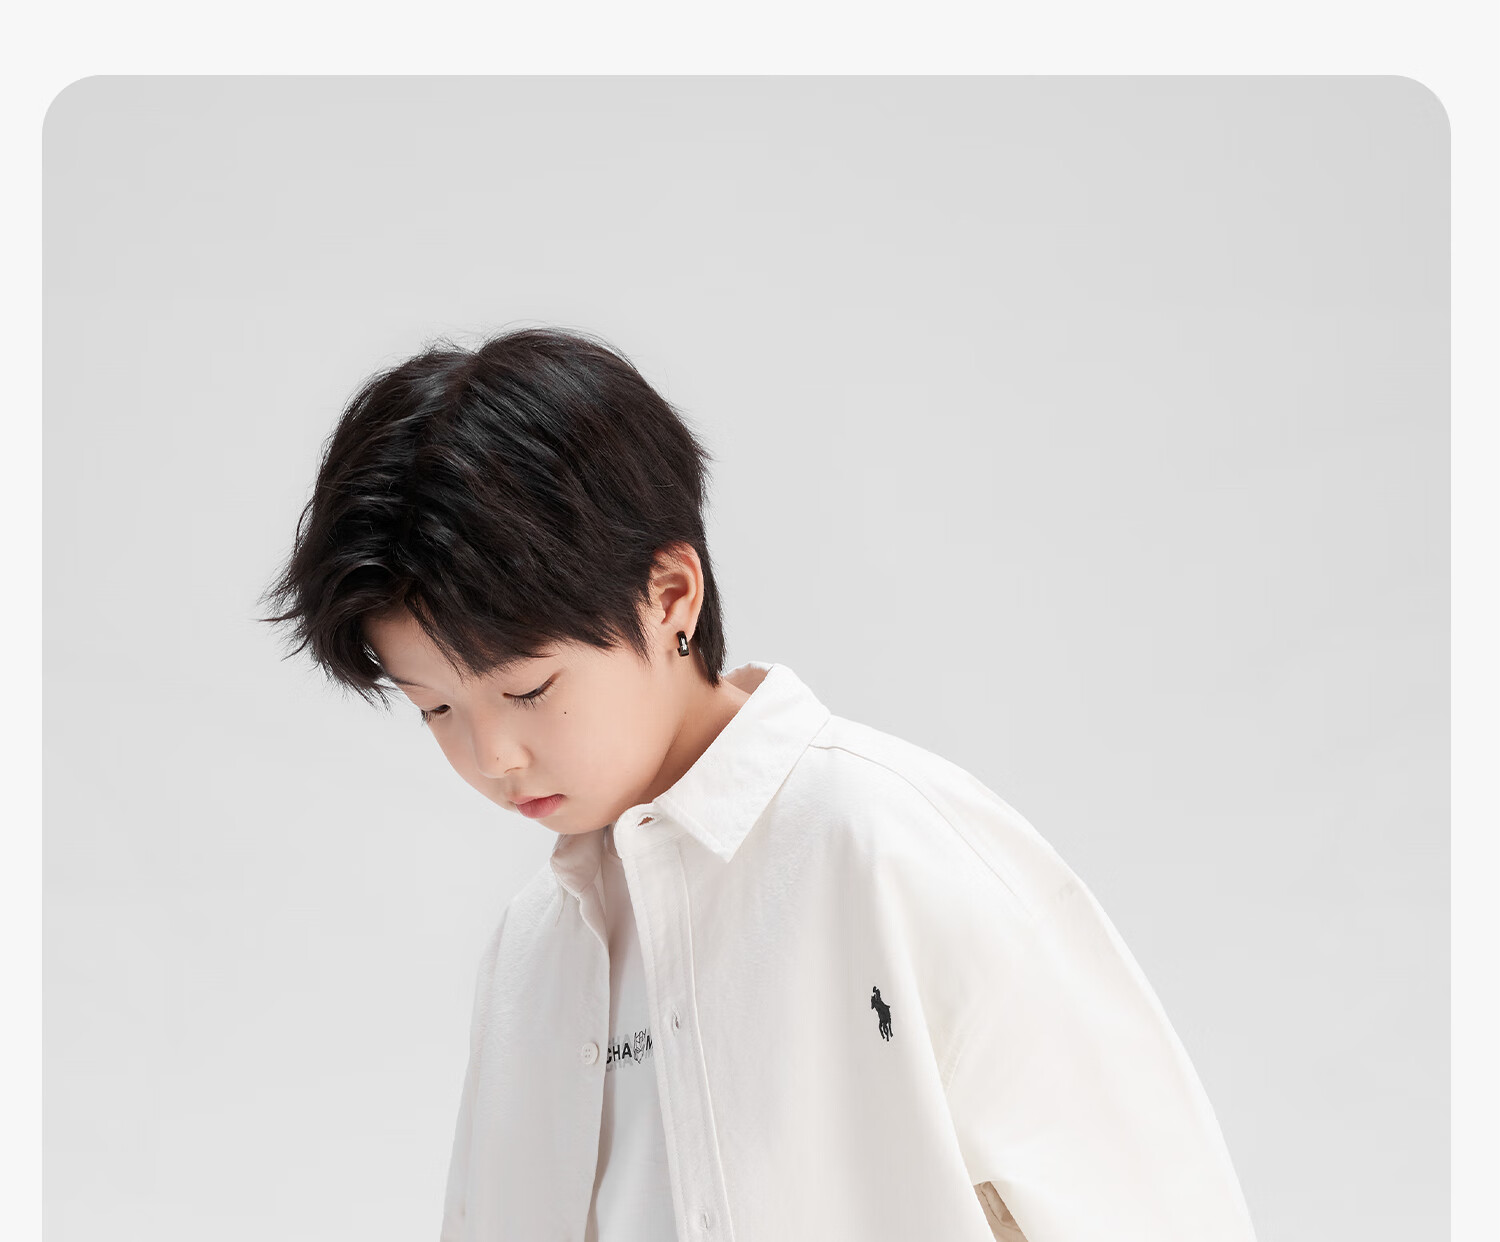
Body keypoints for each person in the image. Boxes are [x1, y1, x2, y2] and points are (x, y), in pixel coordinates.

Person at [259, 326, 1259, 1242]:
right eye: (436, 708)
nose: (492, 757)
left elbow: (1158, 1209)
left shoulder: (892, 845)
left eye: (528, 689)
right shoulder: (532, 951)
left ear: (670, 596)